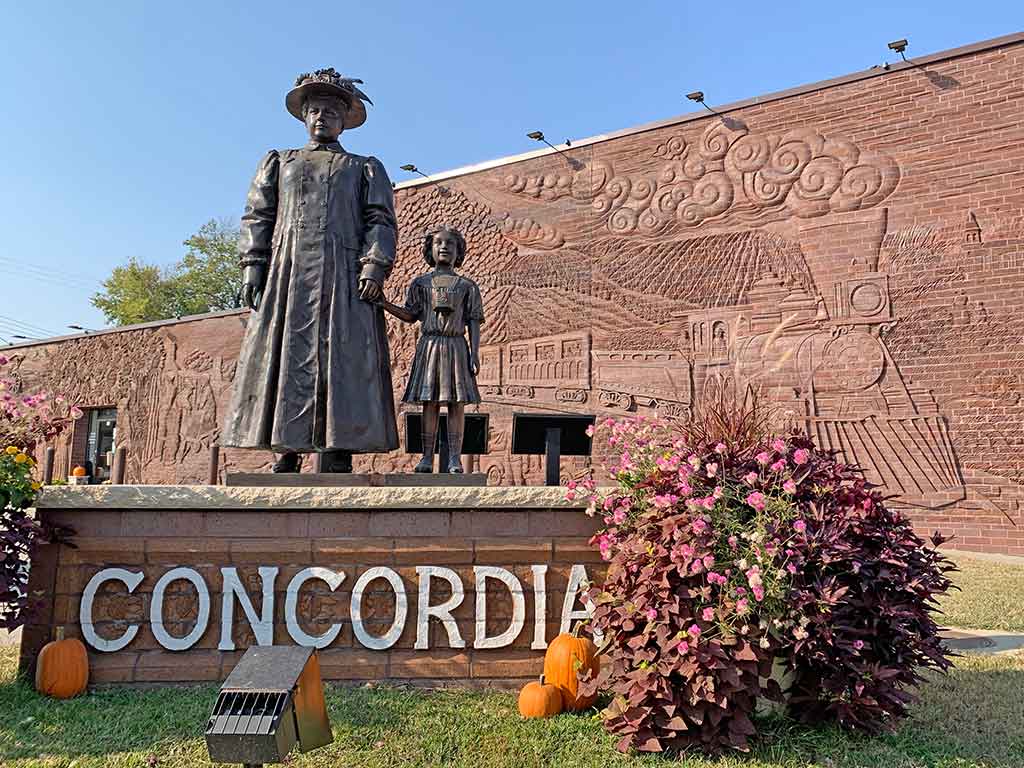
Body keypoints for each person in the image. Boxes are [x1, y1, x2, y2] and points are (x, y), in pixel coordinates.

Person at [221, 68, 399, 472]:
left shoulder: (362, 167)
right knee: (287, 353)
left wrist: (373, 266)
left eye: (331, 113)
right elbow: (258, 215)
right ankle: (286, 448)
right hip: (289, 270)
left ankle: (338, 448)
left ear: (344, 121)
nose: (322, 118)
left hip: (344, 272)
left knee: (343, 356)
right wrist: (253, 264)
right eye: (315, 111)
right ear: (304, 117)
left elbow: (380, 220)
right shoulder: (280, 162)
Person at [379, 227, 483, 473]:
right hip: (430, 345)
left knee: (456, 403)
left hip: (456, 346)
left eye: (450, 244)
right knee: (430, 402)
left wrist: (475, 353)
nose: (444, 247)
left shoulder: (467, 286)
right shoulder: (420, 284)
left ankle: (455, 459)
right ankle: (426, 457)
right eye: (438, 242)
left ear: (458, 252)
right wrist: (384, 303)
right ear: (430, 249)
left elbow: (474, 320)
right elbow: (410, 314)